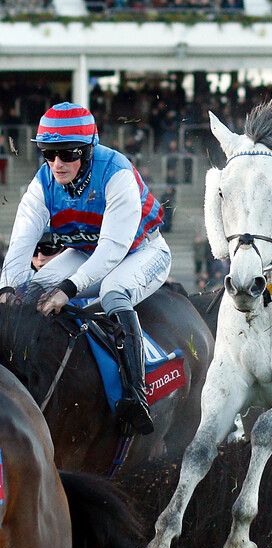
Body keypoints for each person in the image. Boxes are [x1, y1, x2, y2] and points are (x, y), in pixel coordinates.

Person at [0, 102, 169, 435]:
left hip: (141, 251)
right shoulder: (42, 182)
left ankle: (136, 392)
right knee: (33, 289)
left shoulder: (117, 172)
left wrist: (68, 289)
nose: (58, 164)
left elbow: (112, 250)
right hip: (86, 252)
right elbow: (21, 242)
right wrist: (8, 288)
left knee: (113, 291)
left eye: (68, 153)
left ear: (89, 149)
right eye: (48, 154)